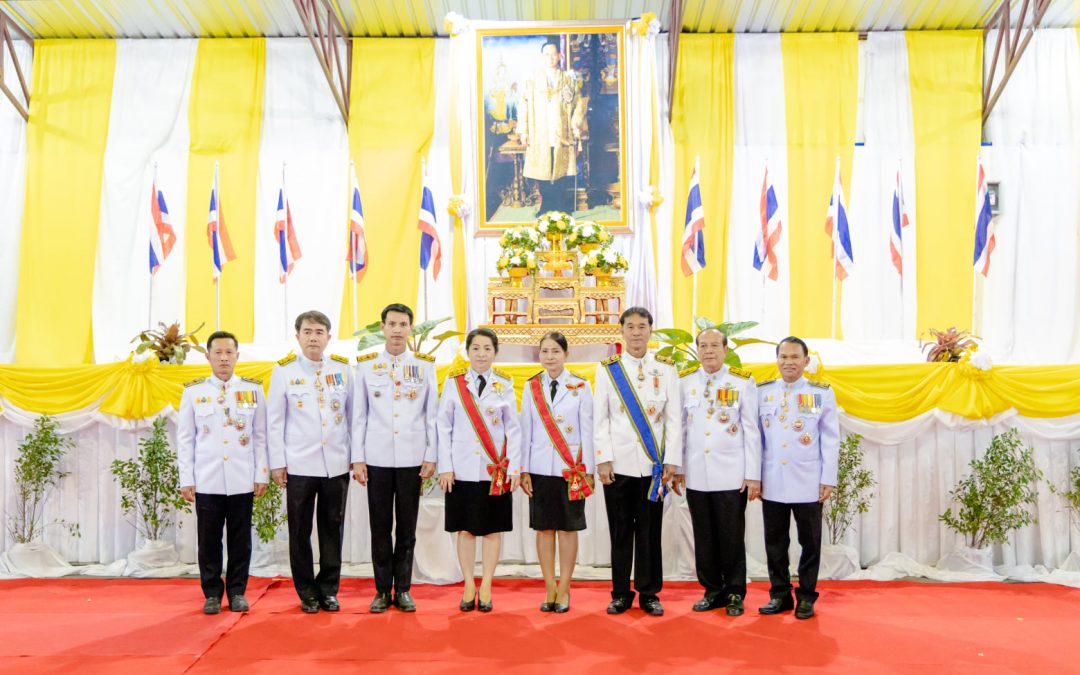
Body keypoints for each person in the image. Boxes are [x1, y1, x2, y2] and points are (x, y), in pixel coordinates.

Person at [593, 307, 682, 616]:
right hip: (618, 466)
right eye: (630, 326)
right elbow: (600, 419)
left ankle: (648, 593)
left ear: (650, 330)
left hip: (652, 467)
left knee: (649, 532)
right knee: (620, 531)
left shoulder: (665, 369)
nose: (635, 332)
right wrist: (603, 459)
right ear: (621, 331)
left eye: (641, 326)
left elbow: (674, 419)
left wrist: (672, 461)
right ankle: (620, 593)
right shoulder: (608, 369)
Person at [350, 303, 437, 613]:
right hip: (377, 458)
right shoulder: (367, 366)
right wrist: (358, 458)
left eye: (403, 324)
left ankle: (403, 589)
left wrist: (431, 454)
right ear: (382, 328)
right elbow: (359, 416)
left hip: (412, 458)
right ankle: (381, 590)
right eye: (392, 324)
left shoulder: (425, 366)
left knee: (407, 528)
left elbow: (431, 415)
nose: (397, 330)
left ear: (410, 328)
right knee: (380, 527)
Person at [177, 330, 268, 615]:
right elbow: (185, 439)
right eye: (218, 353)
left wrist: (261, 474)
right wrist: (187, 478)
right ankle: (212, 594)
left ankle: (238, 592)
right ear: (208, 357)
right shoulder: (194, 392)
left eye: (229, 352)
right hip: (208, 479)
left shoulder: (253, 389)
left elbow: (260, 436)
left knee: (241, 540)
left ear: (237, 356)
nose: (224, 358)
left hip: (242, 478)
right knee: (209, 541)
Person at [267, 310, 353, 614]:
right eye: (307, 332)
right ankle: (306, 591)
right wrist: (277, 463)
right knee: (300, 530)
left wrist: (355, 457)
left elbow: (353, 417)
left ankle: (328, 589)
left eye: (319, 332)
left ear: (328, 337)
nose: (313, 337)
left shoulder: (343, 370)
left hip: (335, 464)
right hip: (299, 464)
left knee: (332, 529)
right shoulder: (284, 372)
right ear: (298, 336)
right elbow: (274, 422)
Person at [676, 328, 761, 616]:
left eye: (714, 345)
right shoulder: (686, 381)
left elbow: (751, 431)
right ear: (697, 350)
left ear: (725, 349)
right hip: (697, 473)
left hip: (731, 474)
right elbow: (681, 429)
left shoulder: (741, 381)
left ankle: (735, 591)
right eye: (703, 345)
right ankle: (712, 590)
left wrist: (753, 474)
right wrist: (679, 468)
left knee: (731, 535)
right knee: (704, 535)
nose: (708, 350)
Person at [436, 328, 522, 613]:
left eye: (487, 348)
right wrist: (445, 467)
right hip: (461, 470)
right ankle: (468, 585)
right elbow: (443, 426)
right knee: (465, 530)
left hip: (494, 470)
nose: (481, 354)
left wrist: (514, 467)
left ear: (495, 352)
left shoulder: (504, 383)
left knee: (492, 530)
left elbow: (513, 429)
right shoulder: (455, 383)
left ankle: (486, 584)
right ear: (468, 351)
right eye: (476, 348)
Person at [757, 336, 839, 620]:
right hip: (773, 480)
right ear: (777, 360)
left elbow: (830, 438)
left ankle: (806, 597)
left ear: (806, 361)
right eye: (783, 357)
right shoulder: (763, 392)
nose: (788, 362)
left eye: (794, 357)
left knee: (810, 543)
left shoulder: (821, 393)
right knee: (775, 543)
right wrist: (755, 477)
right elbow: (756, 439)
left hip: (808, 481)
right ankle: (779, 595)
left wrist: (828, 478)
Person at [519, 331, 594, 613]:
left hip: (570, 468)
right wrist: (523, 469)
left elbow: (588, 431)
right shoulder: (531, 386)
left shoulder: (581, 386)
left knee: (568, 528)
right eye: (545, 351)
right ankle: (549, 586)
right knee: (544, 528)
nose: (549, 357)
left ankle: (565, 587)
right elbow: (525, 429)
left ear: (566, 354)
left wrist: (588, 470)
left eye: (555, 351)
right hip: (540, 468)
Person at [518, 38, 586, 214]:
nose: (550, 58)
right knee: (543, 171)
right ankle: (546, 205)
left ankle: (560, 206)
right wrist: (523, 131)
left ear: (559, 56)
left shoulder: (568, 79)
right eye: (547, 54)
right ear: (542, 57)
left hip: (561, 132)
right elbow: (523, 105)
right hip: (539, 132)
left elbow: (579, 103)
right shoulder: (531, 80)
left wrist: (576, 124)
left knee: (561, 169)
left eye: (554, 54)